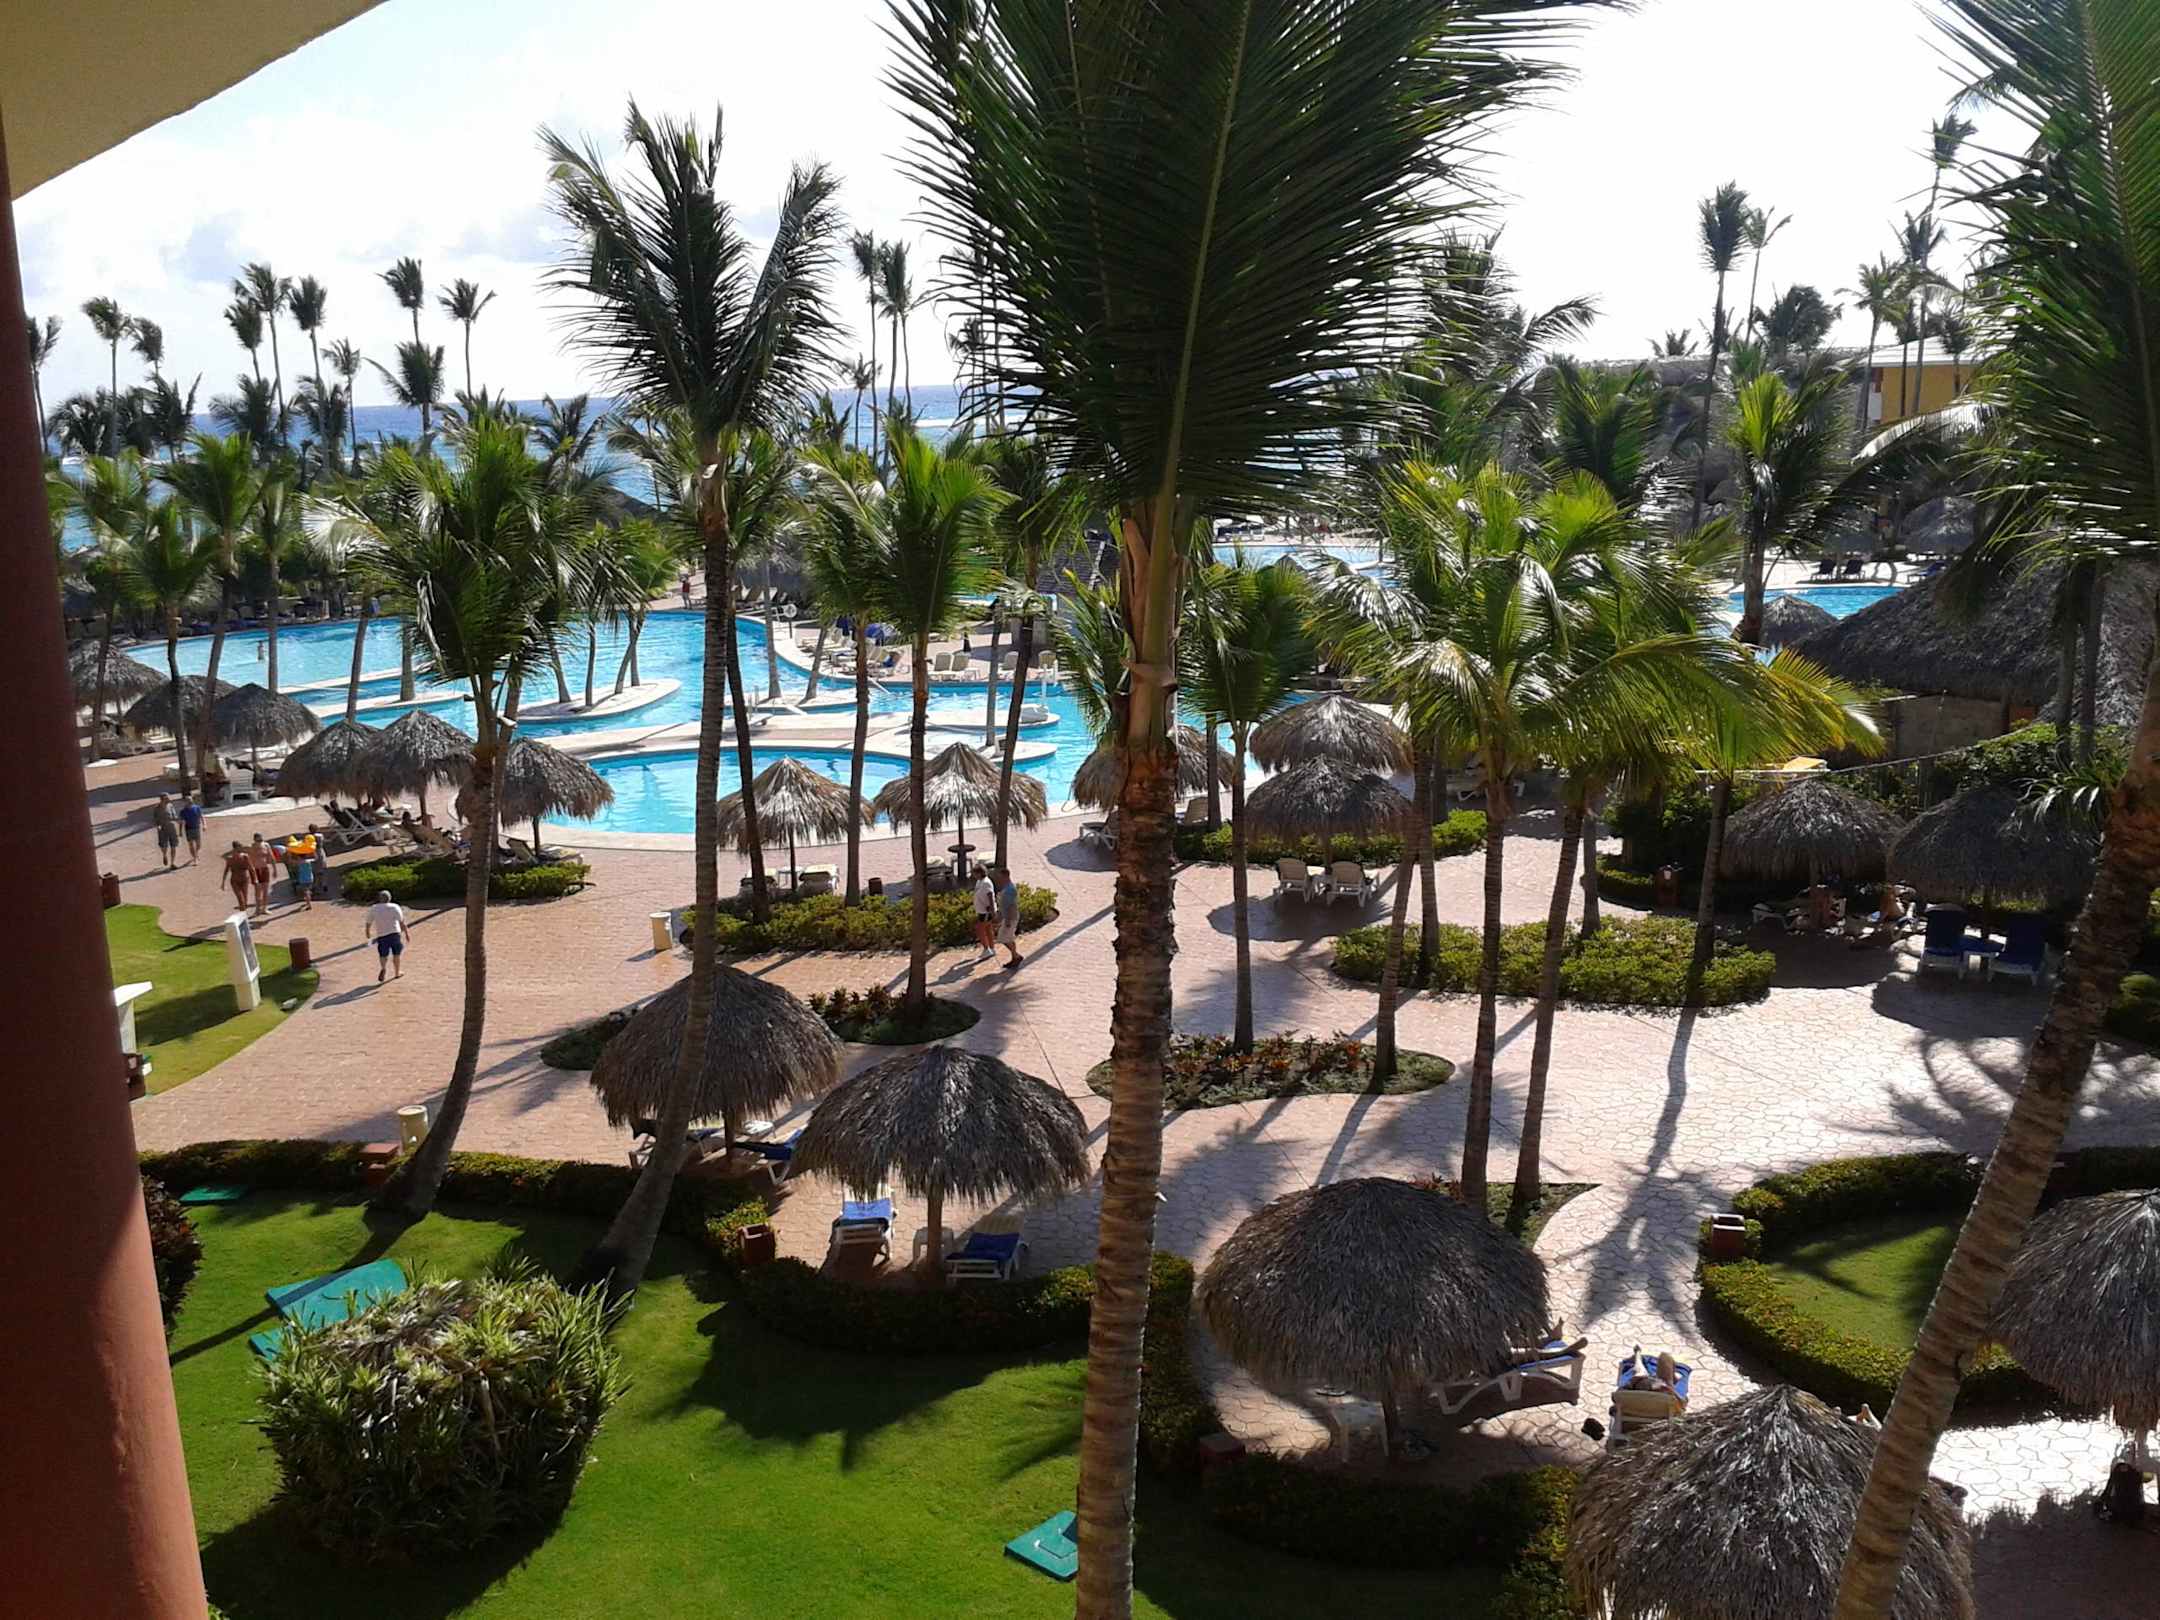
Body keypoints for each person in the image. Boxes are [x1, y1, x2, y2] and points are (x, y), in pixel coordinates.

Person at [364, 889, 410, 983]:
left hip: (382, 934)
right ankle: (397, 972)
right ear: (389, 898)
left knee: (383, 954)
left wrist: (368, 932)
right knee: (396, 954)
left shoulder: (374, 908)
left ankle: (383, 968)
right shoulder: (394, 907)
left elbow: (368, 922)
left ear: (379, 898)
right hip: (394, 933)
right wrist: (406, 933)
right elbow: (401, 922)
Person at [994, 865, 1022, 969]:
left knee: (1004, 938)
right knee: (1007, 938)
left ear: (1005, 876)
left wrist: (1008, 920)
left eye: (1000, 877)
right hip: (1008, 917)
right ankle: (1015, 957)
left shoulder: (1010, 889)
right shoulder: (1006, 888)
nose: (999, 879)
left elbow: (1009, 906)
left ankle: (1016, 956)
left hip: (1010, 918)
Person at [287, 830, 319, 911]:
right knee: (308, 890)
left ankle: (309, 904)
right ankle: (308, 900)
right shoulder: (308, 861)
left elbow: (291, 861)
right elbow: (316, 858)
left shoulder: (299, 863)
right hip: (310, 878)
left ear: (299, 857)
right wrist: (313, 851)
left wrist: (290, 853)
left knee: (306, 891)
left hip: (303, 879)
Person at [970, 864, 996, 958]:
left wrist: (992, 910)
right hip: (981, 910)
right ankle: (991, 948)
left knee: (979, 929)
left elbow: (990, 895)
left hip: (986, 911)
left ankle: (986, 949)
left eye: (975, 873)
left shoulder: (986, 883)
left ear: (980, 873)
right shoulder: (979, 881)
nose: (974, 875)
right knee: (988, 929)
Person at [247, 833, 274, 917]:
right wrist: (251, 872)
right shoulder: (251, 847)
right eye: (258, 840)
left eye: (261, 839)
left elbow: (271, 856)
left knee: (265, 890)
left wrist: (274, 869)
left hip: (264, 868)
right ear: (254, 839)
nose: (260, 841)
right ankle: (257, 909)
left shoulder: (266, 845)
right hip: (256, 870)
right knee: (258, 891)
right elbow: (249, 860)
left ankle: (264, 908)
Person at [220, 840, 253, 912]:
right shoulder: (230, 858)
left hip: (243, 879)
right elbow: (226, 870)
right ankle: (243, 913)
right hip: (236, 880)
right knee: (240, 899)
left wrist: (255, 878)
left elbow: (251, 868)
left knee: (245, 898)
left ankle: (243, 912)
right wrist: (223, 883)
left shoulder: (245, 856)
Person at [151, 794, 179, 870]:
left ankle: (172, 863)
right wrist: (157, 825)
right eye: (166, 798)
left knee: (173, 845)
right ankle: (164, 855)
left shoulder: (170, 806)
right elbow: (154, 819)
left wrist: (177, 820)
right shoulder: (156, 808)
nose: (168, 800)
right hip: (162, 828)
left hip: (171, 827)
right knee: (163, 845)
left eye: (168, 798)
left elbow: (174, 816)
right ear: (162, 799)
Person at [177, 793, 203, 864]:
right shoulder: (183, 811)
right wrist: (180, 831)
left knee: (199, 845)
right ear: (185, 802)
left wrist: (204, 824)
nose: (190, 801)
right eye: (188, 800)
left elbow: (201, 816)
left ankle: (196, 854)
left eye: (191, 800)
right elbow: (181, 822)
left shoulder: (197, 808)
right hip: (188, 829)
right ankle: (195, 859)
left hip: (197, 828)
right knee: (191, 845)